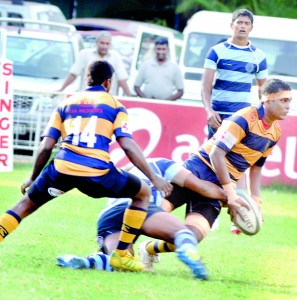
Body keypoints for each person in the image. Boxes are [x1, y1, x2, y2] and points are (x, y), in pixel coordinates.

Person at [0, 61, 172, 272]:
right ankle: (120, 256)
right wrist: (154, 178)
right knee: (143, 192)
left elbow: (46, 145)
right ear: (108, 82)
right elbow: (127, 145)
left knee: (23, 205)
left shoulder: (67, 103)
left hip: (62, 169)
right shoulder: (115, 106)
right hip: (97, 173)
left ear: (86, 79)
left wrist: (33, 177)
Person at [156, 79, 292, 253]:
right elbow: (216, 154)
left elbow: (256, 167)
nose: (288, 106)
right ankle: (120, 244)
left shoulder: (275, 132)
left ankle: (149, 250)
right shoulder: (244, 118)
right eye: (284, 100)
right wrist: (230, 194)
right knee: (157, 214)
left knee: (192, 237)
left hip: (221, 184)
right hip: (198, 170)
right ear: (267, 100)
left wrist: (255, 199)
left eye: (290, 101)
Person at [56, 157, 230, 280]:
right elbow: (202, 187)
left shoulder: (135, 170)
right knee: (184, 233)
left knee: (121, 260)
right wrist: (232, 199)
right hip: (138, 207)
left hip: (109, 215)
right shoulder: (166, 165)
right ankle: (192, 258)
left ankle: (87, 262)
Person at [201, 8, 268, 233]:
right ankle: (208, 213)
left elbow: (263, 93)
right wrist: (209, 110)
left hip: (242, 120)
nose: (242, 26)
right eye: (238, 22)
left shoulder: (258, 56)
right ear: (232, 25)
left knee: (238, 166)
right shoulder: (217, 51)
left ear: (251, 28)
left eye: (246, 23)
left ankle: (238, 217)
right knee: (212, 165)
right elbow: (205, 86)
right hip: (218, 118)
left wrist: (260, 118)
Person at [58, 30, 131, 96]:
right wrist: (61, 89)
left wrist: (130, 97)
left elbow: (122, 79)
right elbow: (74, 74)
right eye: (102, 43)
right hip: (87, 97)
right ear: (96, 42)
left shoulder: (115, 56)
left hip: (107, 99)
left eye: (107, 44)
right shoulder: (85, 54)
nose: (104, 46)